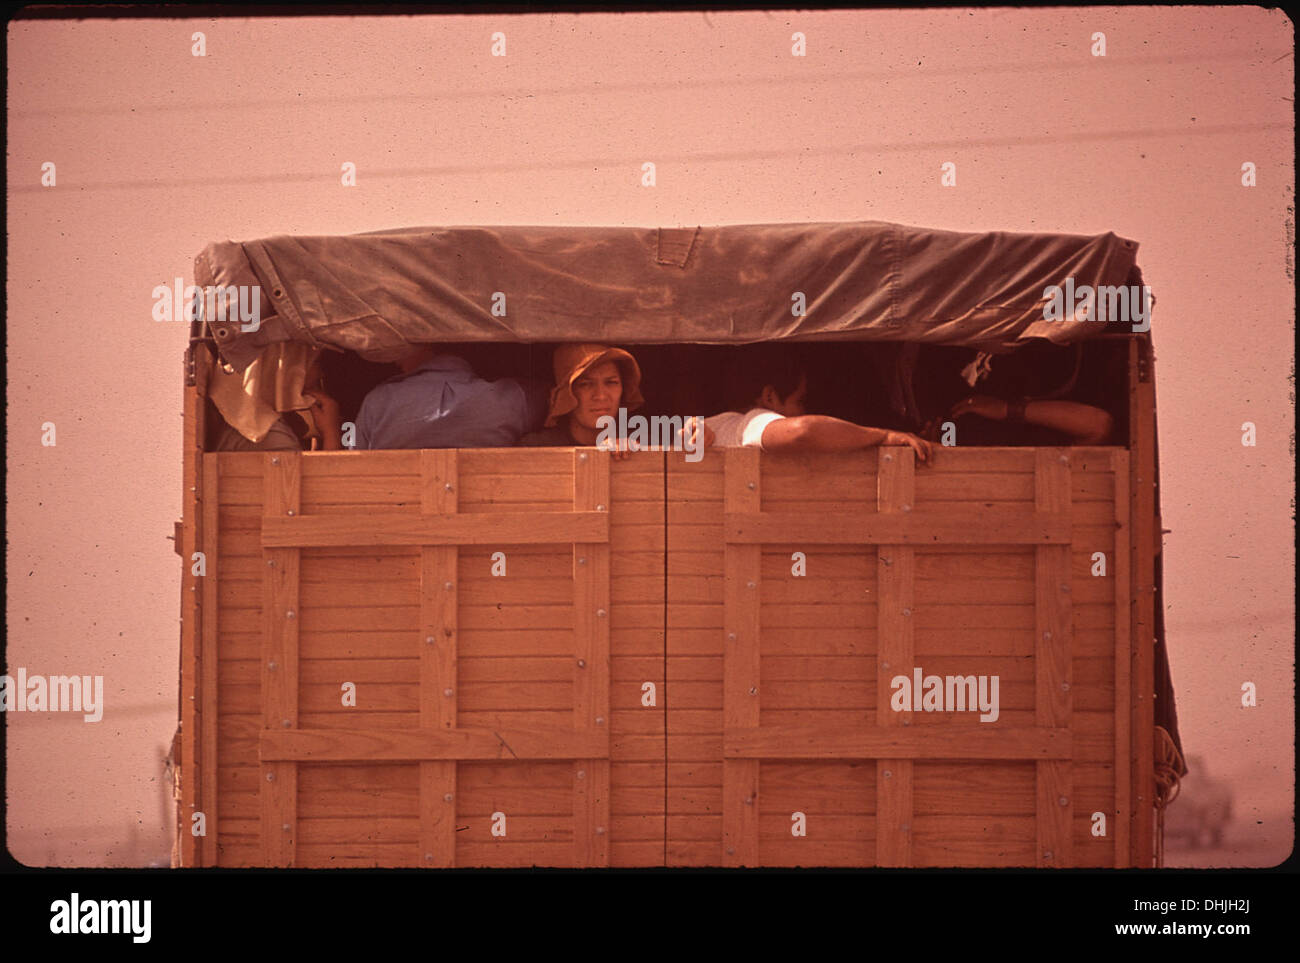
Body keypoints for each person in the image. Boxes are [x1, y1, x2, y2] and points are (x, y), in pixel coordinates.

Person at [703, 344, 933, 461]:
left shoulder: (716, 425)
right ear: (770, 397)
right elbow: (802, 431)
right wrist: (885, 437)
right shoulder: (753, 421)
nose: (803, 410)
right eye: (799, 401)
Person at [313, 343, 547, 450]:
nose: (394, 358)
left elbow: (349, 476)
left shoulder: (378, 401)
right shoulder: (514, 398)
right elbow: (559, 402)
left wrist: (331, 433)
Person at [520, 343, 654, 456]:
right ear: (567, 395)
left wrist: (638, 457)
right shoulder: (536, 449)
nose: (601, 396)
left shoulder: (644, 443)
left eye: (611, 383)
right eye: (585, 384)